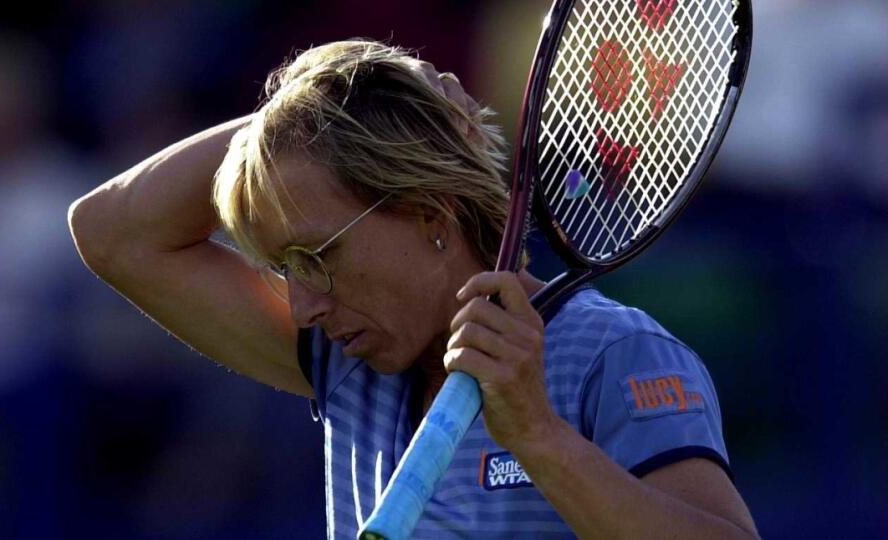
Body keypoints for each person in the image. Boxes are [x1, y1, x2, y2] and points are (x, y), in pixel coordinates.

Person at [69, 40, 759, 539]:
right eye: (285, 268)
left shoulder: (619, 352)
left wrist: (539, 436)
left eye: (319, 255)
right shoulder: (348, 362)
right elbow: (110, 232)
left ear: (428, 212)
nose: (304, 304)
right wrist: (326, 111)